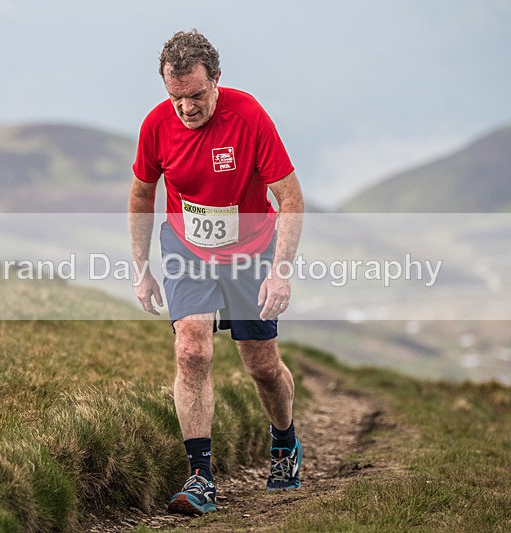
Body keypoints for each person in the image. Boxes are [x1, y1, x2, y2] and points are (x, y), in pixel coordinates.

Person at [129, 30, 305, 516]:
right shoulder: (156, 126)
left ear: (217, 81)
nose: (186, 107)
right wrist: (142, 269)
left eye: (196, 95)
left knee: (262, 366)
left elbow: (290, 199)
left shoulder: (248, 116)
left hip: (251, 252)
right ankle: (200, 477)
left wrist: (280, 273)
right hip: (187, 249)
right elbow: (142, 196)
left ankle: (284, 443)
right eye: (176, 97)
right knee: (191, 349)